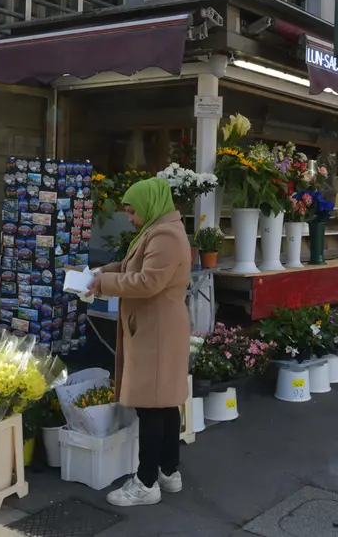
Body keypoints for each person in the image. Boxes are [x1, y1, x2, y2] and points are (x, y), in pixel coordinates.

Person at [88, 177, 191, 507]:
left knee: (151, 406)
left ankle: (146, 482)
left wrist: (103, 284)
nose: (130, 218)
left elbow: (148, 281)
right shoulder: (159, 231)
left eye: (132, 211)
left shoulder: (166, 236)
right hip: (155, 328)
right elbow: (133, 267)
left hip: (156, 331)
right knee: (164, 402)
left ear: (148, 205)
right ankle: (168, 471)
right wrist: (99, 274)